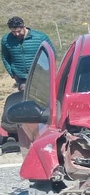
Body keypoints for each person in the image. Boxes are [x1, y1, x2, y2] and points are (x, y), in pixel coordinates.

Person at [2, 16, 54, 144]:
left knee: (45, 101)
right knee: (27, 103)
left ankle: (48, 128)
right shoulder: (6, 40)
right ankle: (28, 133)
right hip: (22, 77)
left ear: (24, 26)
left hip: (41, 75)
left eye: (18, 31)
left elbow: (51, 52)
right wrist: (12, 73)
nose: (17, 34)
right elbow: (5, 57)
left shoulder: (40, 37)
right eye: (13, 31)